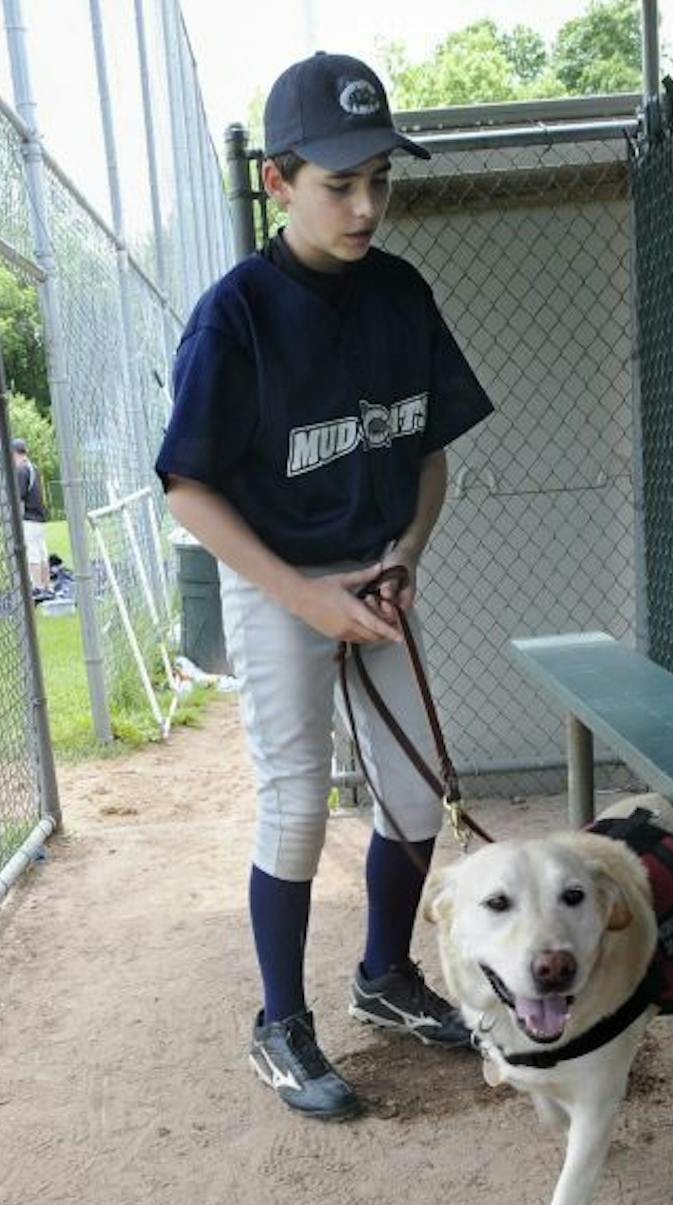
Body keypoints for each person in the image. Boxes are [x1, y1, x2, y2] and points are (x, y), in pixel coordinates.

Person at [156, 53, 495, 1121]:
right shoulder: (237, 316)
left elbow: (432, 451)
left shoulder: (400, 293)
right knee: (297, 803)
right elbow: (188, 492)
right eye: (339, 184)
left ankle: (385, 977)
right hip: (279, 582)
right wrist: (305, 601)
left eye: (379, 181)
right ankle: (279, 1022)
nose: (365, 205)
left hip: (380, 569)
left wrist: (408, 553)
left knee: (413, 793)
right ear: (279, 181)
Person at [12, 440, 51, 595]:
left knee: (33, 554)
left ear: (14, 453)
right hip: (39, 516)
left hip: (29, 516)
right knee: (42, 552)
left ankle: (38, 587)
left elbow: (19, 494)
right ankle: (47, 585)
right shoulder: (33, 467)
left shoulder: (21, 470)